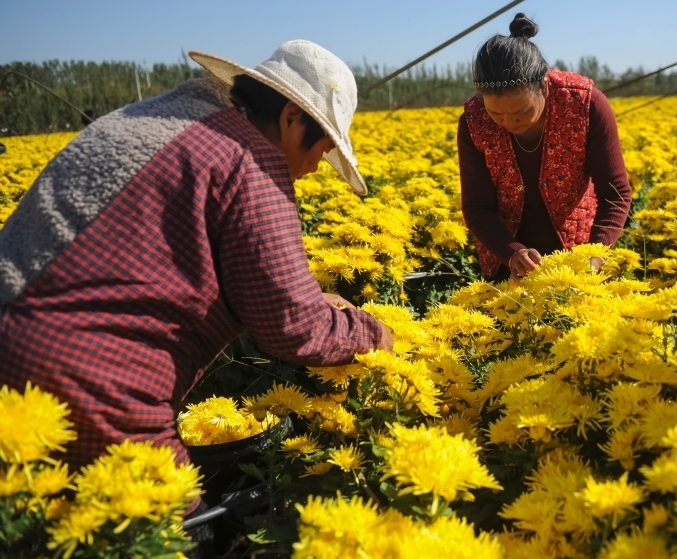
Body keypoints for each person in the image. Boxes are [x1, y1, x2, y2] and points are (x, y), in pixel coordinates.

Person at [0, 40, 393, 471]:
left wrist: (312, 300)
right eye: (322, 148)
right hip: (88, 377)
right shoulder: (253, 161)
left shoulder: (168, 119)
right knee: (163, 528)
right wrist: (375, 337)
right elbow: (294, 327)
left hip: (15, 337)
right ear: (292, 117)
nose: (317, 165)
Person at [458, 13, 632, 282]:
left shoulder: (585, 105)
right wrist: (512, 253)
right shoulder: (474, 120)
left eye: (520, 112)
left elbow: (615, 193)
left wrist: (594, 258)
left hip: (579, 250)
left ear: (545, 87)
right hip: (506, 253)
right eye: (496, 113)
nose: (507, 123)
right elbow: (477, 207)